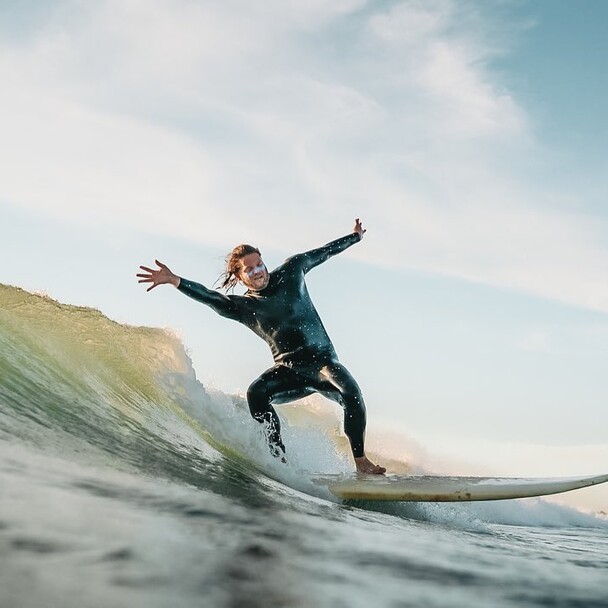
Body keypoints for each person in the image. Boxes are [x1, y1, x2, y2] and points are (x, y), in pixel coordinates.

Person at [137, 218, 385, 474]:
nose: (257, 271)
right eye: (249, 269)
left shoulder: (293, 270)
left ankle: (361, 462)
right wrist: (175, 280)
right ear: (239, 276)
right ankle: (279, 460)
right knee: (256, 393)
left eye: (259, 264)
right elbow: (210, 297)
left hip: (323, 362)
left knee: (352, 393)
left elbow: (325, 252)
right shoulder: (242, 307)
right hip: (289, 370)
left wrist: (355, 237)